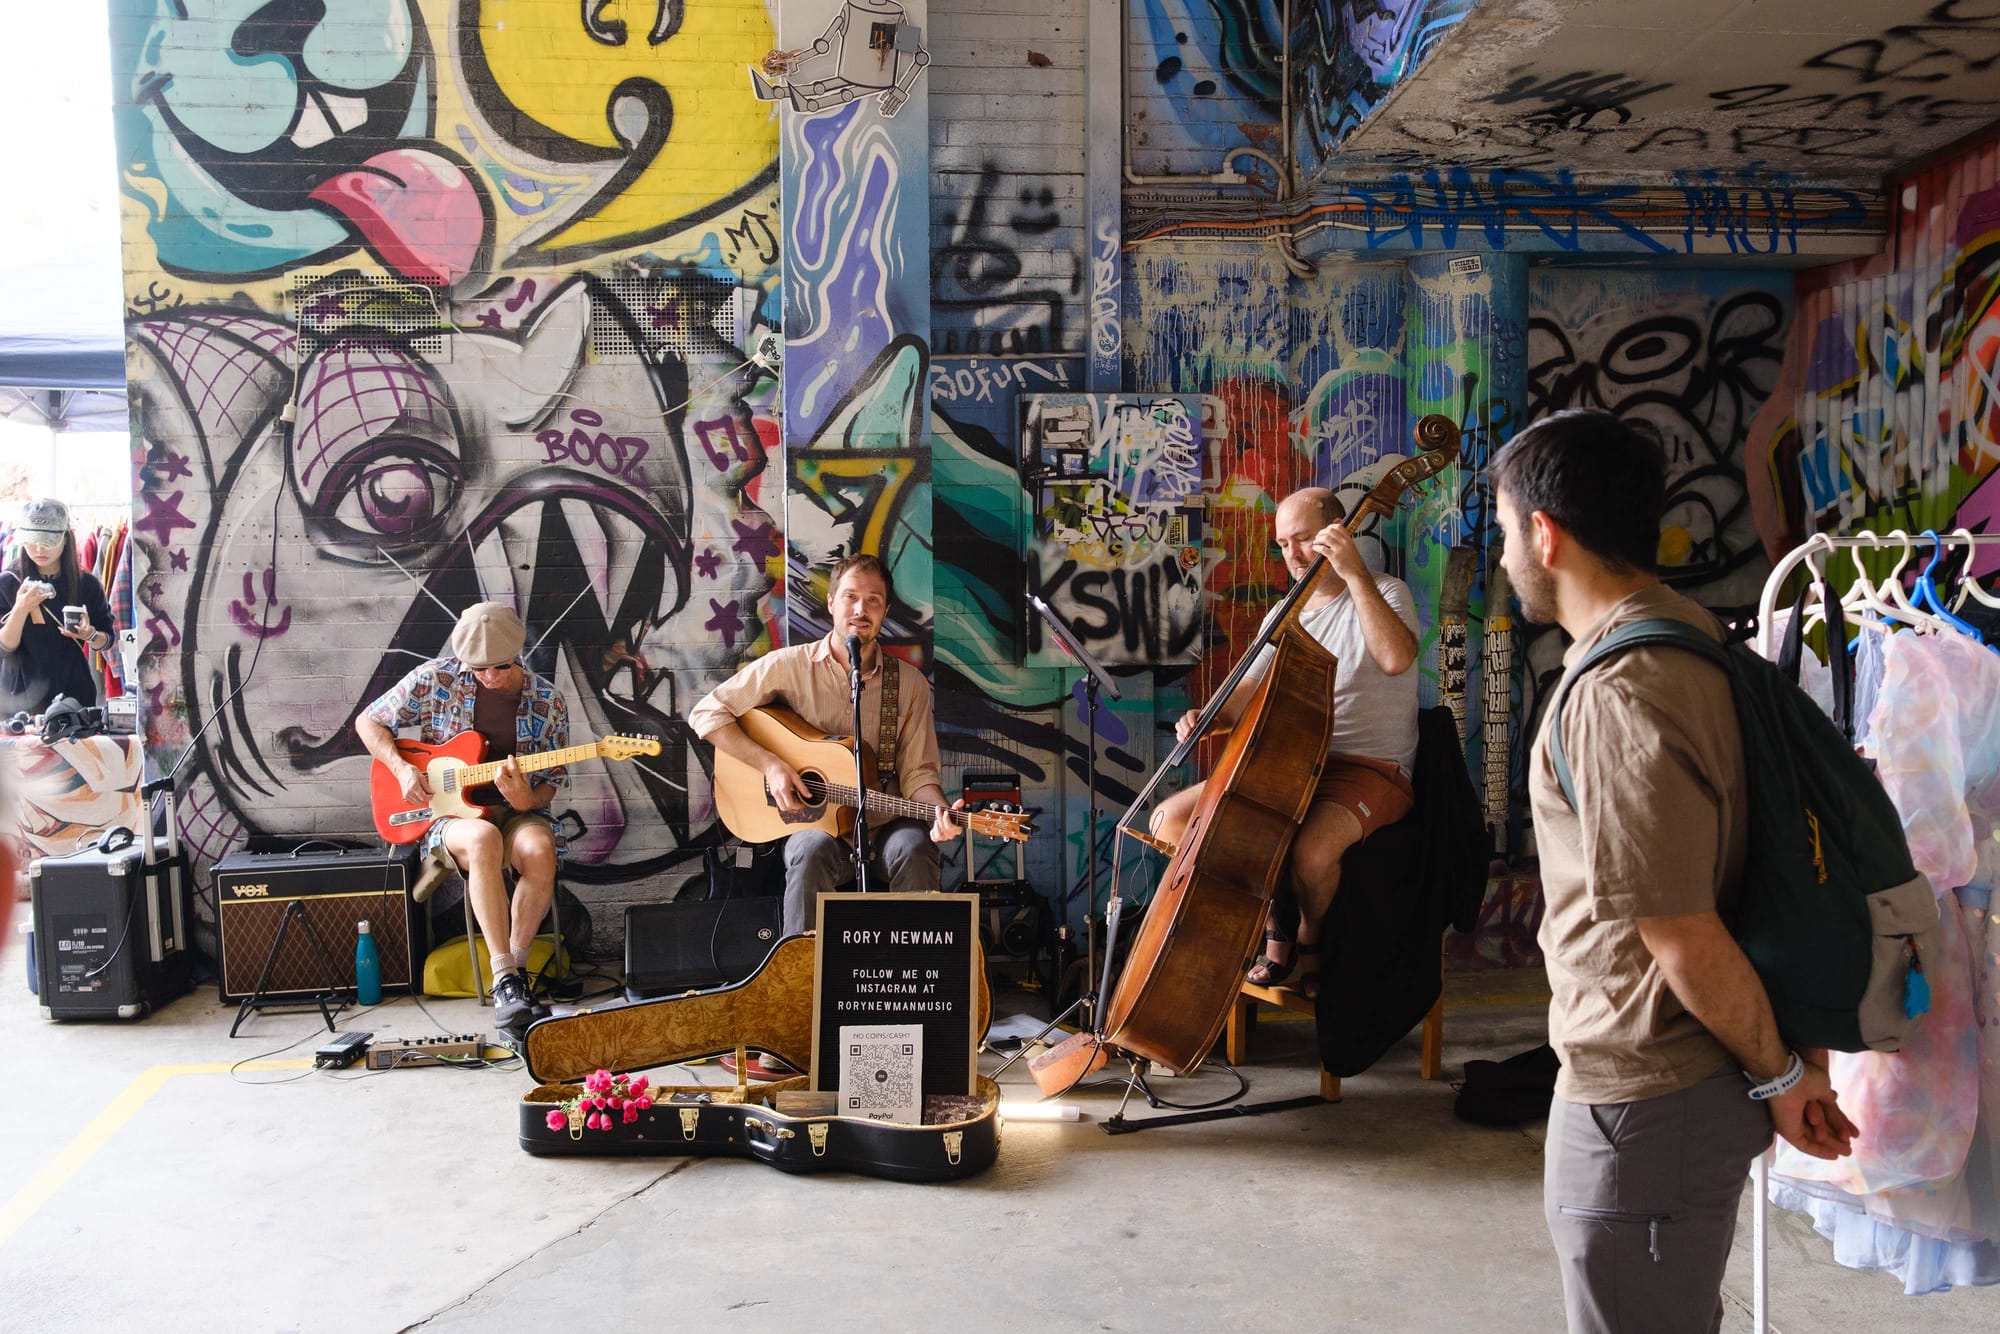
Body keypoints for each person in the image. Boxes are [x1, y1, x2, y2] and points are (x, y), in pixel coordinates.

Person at [1491, 408, 1857, 1332]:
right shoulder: (1696, 640)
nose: (1501, 560)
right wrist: (1792, 1063)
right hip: (1678, 1099)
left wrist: (1782, 1081)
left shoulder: (1620, 691)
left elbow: (1681, 930)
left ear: (1545, 531)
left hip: (1646, 1100)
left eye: (1502, 533)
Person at [1150, 487, 1418, 998]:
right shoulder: (1284, 613)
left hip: (1367, 768)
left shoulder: (1385, 591)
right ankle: (1270, 913)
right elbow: (1247, 692)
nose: (1292, 557)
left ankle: (1308, 935)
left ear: (1339, 533)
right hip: (1288, 766)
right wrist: (1206, 718)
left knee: (1313, 854)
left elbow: (1396, 659)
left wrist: (1355, 572)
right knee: (1171, 821)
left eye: (1304, 541)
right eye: (1283, 544)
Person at [689, 554, 959, 937]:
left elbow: (918, 773)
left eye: (873, 600)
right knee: (808, 849)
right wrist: (769, 764)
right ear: (831, 602)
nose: (860, 609)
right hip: (816, 827)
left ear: (885, 611)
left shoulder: (909, 684)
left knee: (915, 846)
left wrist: (941, 812)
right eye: (850, 597)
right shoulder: (787, 667)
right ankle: (800, 977)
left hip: (885, 830)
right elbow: (706, 713)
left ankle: (909, 978)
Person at [355, 602, 568, 1031]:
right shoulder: (437, 678)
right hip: (448, 815)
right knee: (483, 839)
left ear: (517, 653)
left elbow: (551, 783)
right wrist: (401, 769)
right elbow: (368, 722)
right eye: (479, 669)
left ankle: (514, 976)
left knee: (540, 847)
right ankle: (505, 976)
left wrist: (526, 799)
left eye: (500, 667)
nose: (489, 676)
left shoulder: (547, 701)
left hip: (515, 812)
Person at [0, 498, 115, 715]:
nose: (39, 548)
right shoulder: (8, 582)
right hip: (19, 699)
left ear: (65, 539)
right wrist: (20, 608)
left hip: (74, 695)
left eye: (47, 540)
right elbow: (4, 648)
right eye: (32, 540)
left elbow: (107, 640)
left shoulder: (86, 584)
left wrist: (89, 634)